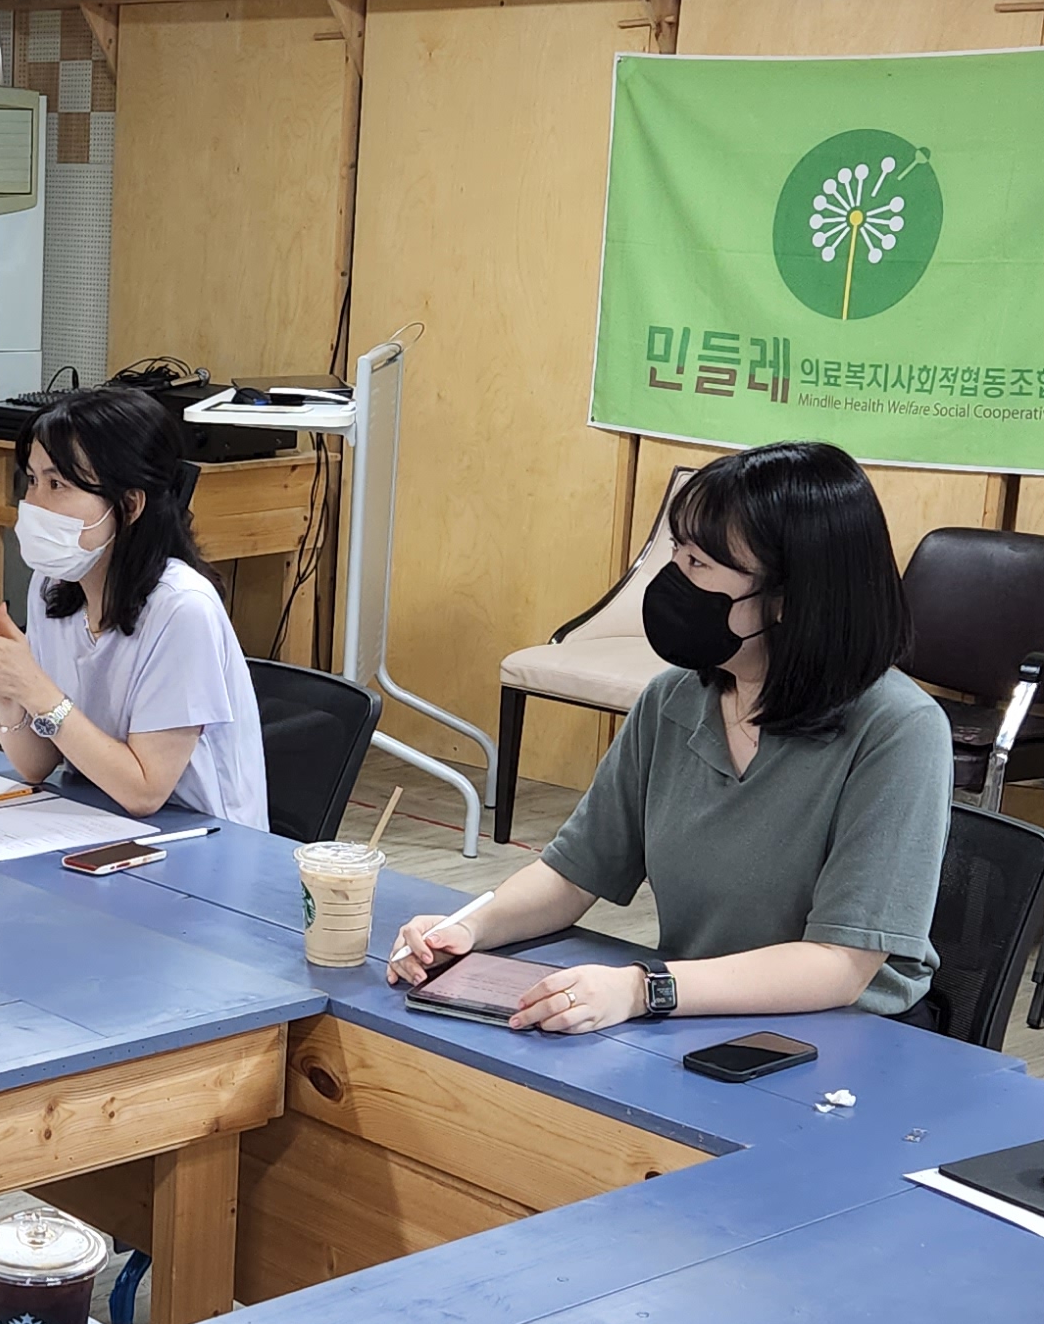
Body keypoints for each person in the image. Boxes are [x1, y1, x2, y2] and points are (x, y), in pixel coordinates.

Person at [390, 440, 948, 1029]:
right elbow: (572, 874)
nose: (672, 579)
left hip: (845, 1036)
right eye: (676, 552)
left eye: (698, 564)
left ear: (787, 597)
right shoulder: (673, 700)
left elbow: (841, 964)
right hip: (693, 1011)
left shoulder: (898, 729)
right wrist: (468, 929)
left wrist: (642, 989)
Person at [0, 383, 269, 830]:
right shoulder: (53, 586)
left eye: (57, 484)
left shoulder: (183, 609)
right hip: (95, 822)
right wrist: (4, 691)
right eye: (32, 480)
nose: (33, 503)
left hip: (202, 837)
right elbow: (36, 764)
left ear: (129, 504)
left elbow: (144, 791)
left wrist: (35, 688)